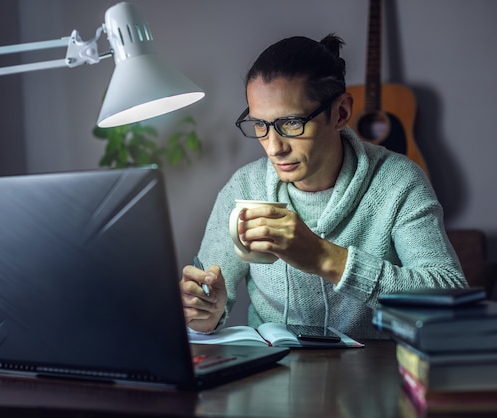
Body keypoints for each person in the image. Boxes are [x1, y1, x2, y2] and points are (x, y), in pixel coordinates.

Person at [180, 34, 467, 339]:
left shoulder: (398, 181)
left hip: (376, 373)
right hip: (273, 371)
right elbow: (205, 301)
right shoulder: (245, 187)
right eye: (260, 125)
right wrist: (204, 312)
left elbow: (450, 300)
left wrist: (325, 258)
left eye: (291, 123)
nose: (273, 148)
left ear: (341, 112)